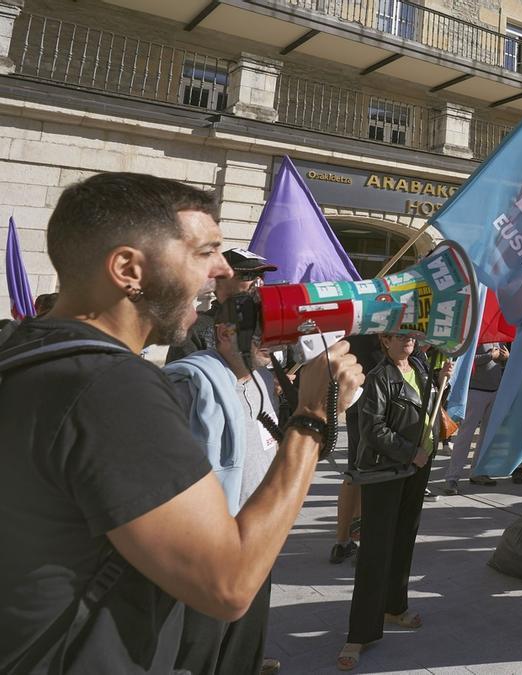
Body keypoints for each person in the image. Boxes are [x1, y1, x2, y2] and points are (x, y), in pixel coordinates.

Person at [0, 172, 362, 672]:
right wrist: (313, 417)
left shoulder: (23, 348)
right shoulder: (112, 387)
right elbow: (228, 584)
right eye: (203, 252)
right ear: (129, 269)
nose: (219, 270)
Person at [165, 318, 282, 675]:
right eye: (260, 334)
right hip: (214, 544)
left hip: (257, 534)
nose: (271, 343)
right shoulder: (196, 382)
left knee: (246, 642)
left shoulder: (263, 378)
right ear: (226, 334)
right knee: (202, 649)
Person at [339, 334, 451, 671]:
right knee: (376, 548)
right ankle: (359, 633)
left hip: (417, 467)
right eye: (400, 336)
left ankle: (394, 606)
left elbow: (430, 409)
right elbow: (371, 428)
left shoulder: (419, 368)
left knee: (404, 538)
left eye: (412, 336)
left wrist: (443, 379)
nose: (409, 341)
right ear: (385, 341)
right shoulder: (378, 377)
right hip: (388, 470)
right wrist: (409, 453)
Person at [166, 247, 277, 363]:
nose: (258, 282)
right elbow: (177, 377)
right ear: (217, 280)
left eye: (261, 275)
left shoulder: (273, 323)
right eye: (248, 275)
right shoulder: (194, 329)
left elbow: (293, 366)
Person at [331, 335, 385, 565]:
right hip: (377, 398)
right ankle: (363, 543)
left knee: (355, 472)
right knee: (369, 474)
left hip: (357, 394)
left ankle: (344, 541)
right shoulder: (386, 314)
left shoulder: (356, 311)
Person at [445, 342, 508, 494]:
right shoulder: (477, 333)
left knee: (487, 435)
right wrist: (489, 356)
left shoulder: (499, 336)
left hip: (495, 390)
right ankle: (452, 477)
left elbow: (502, 359)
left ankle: (478, 471)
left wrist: (506, 358)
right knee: (465, 435)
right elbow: (465, 361)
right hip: (475, 391)